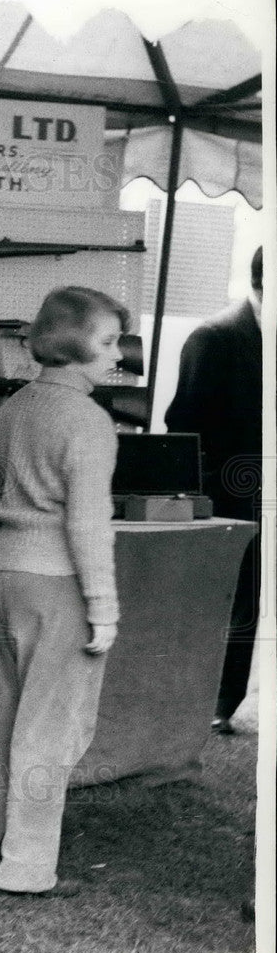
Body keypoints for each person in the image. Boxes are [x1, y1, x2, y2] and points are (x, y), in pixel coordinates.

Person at [0, 286, 128, 898]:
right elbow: (88, 524)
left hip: (5, 579)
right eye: (109, 342)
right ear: (73, 345)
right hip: (60, 587)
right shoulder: (90, 421)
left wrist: (5, 558)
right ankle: (25, 868)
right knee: (49, 732)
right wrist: (103, 608)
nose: (118, 354)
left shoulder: (14, 408)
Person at [165, 246, 262, 734]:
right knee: (237, 600)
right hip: (233, 497)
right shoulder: (214, 338)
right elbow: (184, 425)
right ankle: (219, 700)